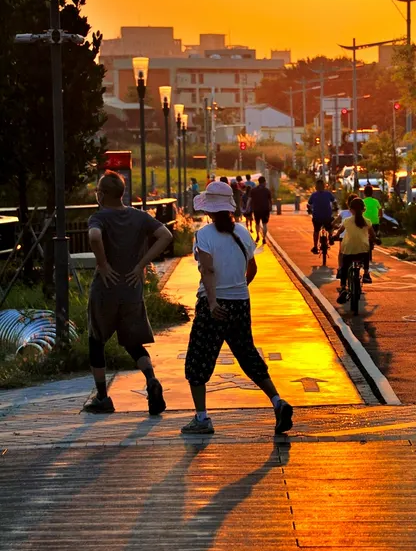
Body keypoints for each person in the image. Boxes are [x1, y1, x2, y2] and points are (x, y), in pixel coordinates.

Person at [182, 180, 293, 435]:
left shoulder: (204, 235)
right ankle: (277, 401)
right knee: (247, 354)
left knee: (198, 360)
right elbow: (252, 269)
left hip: (214, 305)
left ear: (208, 210)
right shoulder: (243, 232)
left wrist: (212, 303)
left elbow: (207, 270)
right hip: (241, 302)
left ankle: (201, 418)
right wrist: (239, 289)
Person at [86, 170, 173, 414]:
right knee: (133, 343)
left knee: (96, 340)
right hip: (132, 290)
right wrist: (141, 264)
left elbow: (94, 236)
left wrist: (103, 265)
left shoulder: (99, 217)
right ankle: (151, 380)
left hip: (105, 291)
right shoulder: (139, 217)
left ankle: (103, 398)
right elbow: (166, 235)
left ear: (102, 195)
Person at [337, 197, 375, 302]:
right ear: (364, 209)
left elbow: (339, 232)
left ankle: (343, 287)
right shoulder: (367, 221)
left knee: (344, 267)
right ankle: (366, 273)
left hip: (348, 250)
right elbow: (373, 234)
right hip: (362, 251)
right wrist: (375, 239)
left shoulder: (346, 221)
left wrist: (334, 237)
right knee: (366, 250)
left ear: (350, 210)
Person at [307, 178, 338, 254]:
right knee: (331, 225)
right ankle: (330, 236)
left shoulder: (313, 195)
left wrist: (310, 210)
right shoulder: (328, 194)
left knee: (316, 230)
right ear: (324, 186)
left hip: (317, 217)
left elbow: (309, 204)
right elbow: (334, 202)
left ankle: (315, 247)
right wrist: (335, 208)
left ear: (316, 187)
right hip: (327, 217)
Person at [249, 175, 272, 244]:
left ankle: (258, 235)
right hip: (265, 209)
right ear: (264, 182)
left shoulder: (253, 190)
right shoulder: (267, 190)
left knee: (257, 223)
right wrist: (270, 208)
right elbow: (270, 201)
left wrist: (248, 208)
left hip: (256, 209)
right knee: (264, 224)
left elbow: (250, 200)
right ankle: (264, 238)